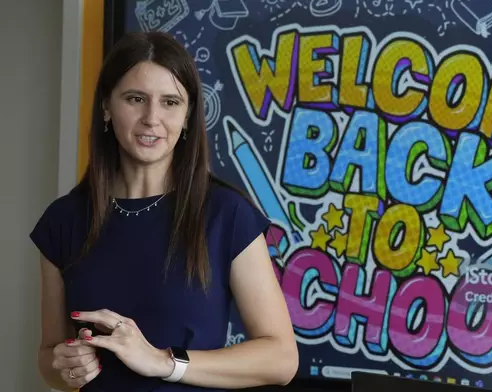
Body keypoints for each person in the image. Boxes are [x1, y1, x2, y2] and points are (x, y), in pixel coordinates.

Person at [30, 31, 298, 391]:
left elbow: (281, 359)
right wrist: (64, 364)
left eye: (170, 102)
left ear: (188, 117)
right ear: (107, 107)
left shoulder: (226, 215)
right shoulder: (62, 222)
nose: (151, 118)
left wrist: (163, 362)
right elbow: (50, 360)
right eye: (135, 98)